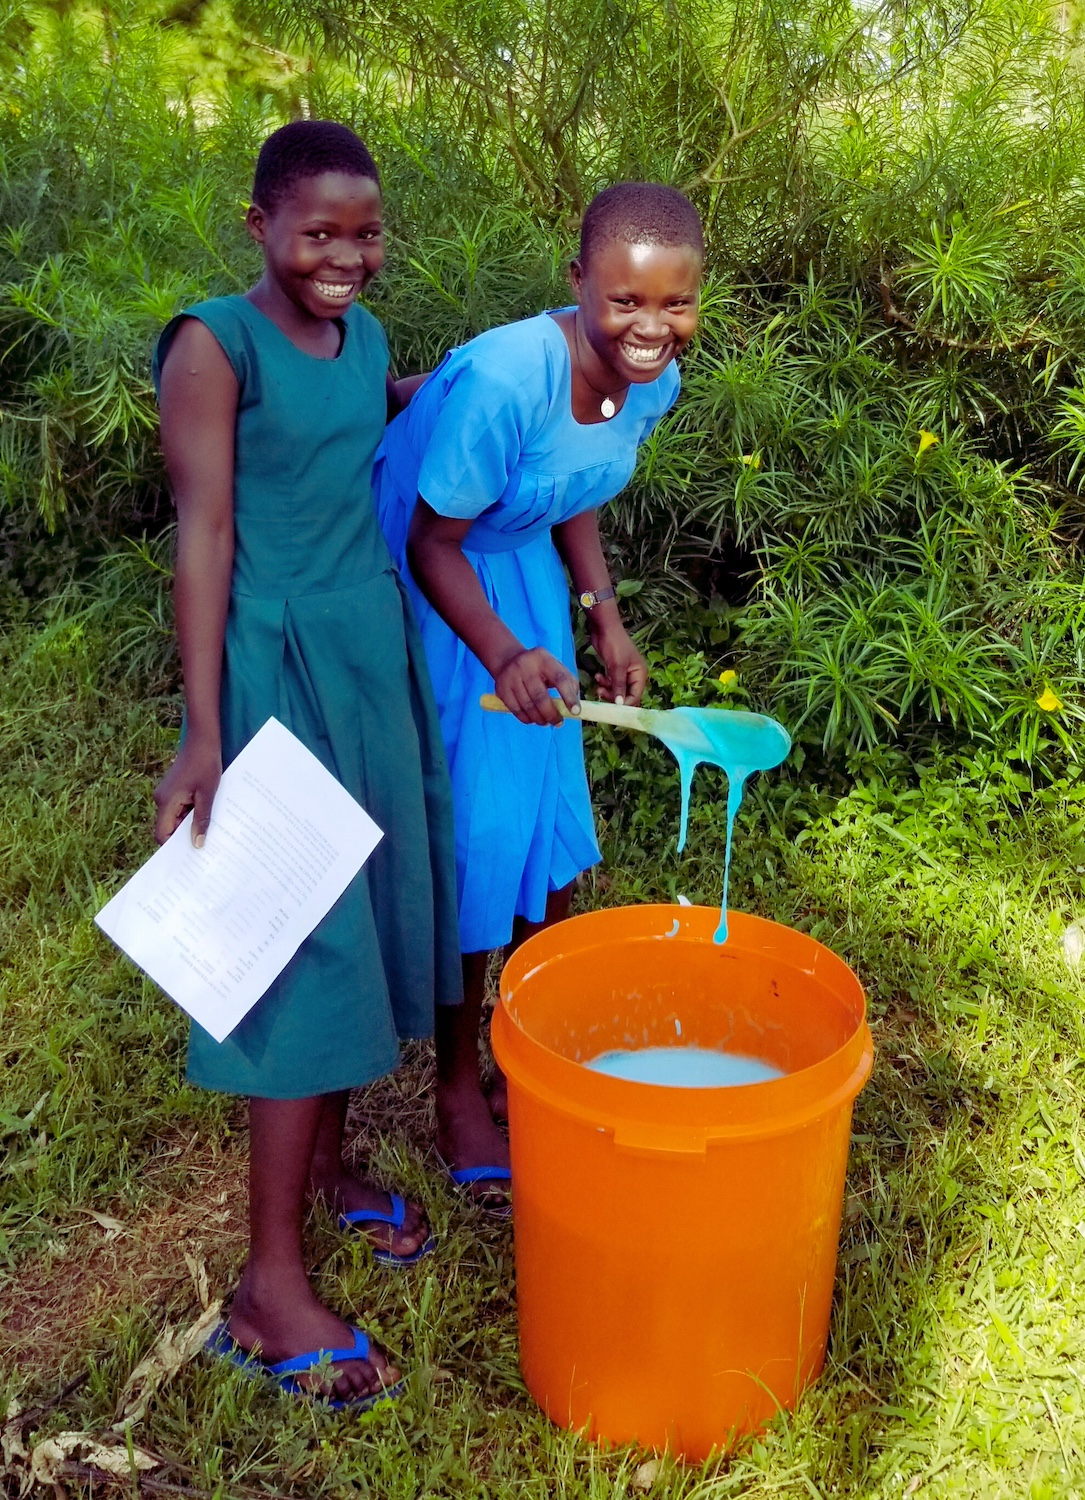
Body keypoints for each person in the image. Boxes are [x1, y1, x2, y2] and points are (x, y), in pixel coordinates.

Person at [151, 120, 461, 1408]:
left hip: (365, 653)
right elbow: (207, 528)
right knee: (299, 950)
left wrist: (409, 395)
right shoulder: (211, 346)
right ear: (259, 227)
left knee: (372, 925)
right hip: (276, 668)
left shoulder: (368, 337)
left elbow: (349, 428)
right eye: (318, 231)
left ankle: (330, 1174)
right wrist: (205, 730)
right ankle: (265, 1288)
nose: (346, 255)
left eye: (366, 231)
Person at [374, 182, 702, 1209]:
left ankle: (526, 1041)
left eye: (673, 304)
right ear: (576, 286)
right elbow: (432, 542)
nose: (649, 328)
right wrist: (506, 654)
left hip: (510, 563)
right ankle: (455, 1083)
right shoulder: (511, 380)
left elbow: (573, 493)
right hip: (436, 575)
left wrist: (600, 614)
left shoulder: (655, 381)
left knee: (550, 816)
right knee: (479, 826)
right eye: (622, 304)